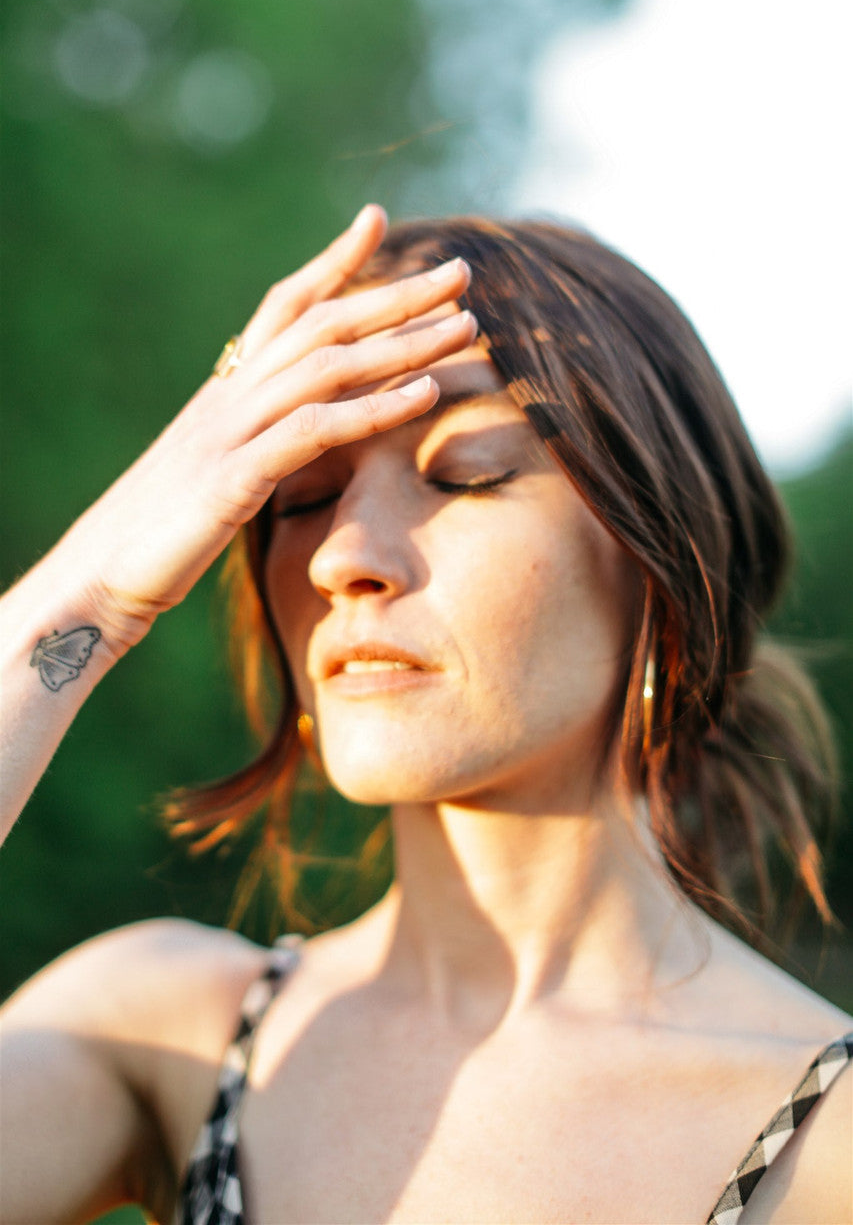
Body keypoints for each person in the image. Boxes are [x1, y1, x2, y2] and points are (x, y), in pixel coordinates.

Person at [0, 205, 850, 1225]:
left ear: (660, 555)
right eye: (301, 494)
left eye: (465, 474)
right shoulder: (162, 1032)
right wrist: (88, 593)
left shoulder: (824, 1139)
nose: (340, 555)